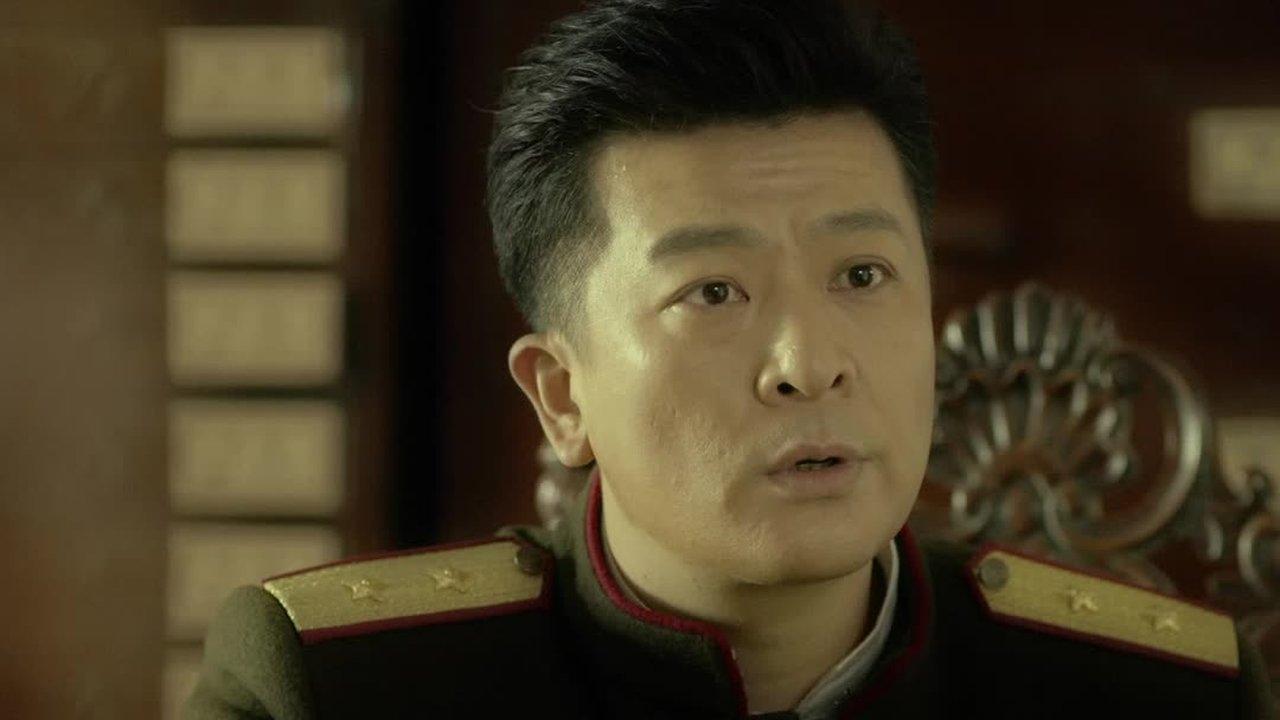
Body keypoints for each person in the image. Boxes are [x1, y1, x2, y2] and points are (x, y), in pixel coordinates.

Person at [183, 1, 1274, 718]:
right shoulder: (346, 689)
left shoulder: (1160, 697)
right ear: (561, 396)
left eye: (861, 275)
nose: (808, 364)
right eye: (713, 293)